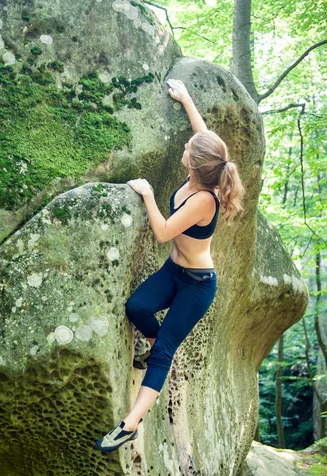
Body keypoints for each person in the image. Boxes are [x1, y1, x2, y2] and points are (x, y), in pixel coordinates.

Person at [94, 78, 245, 453]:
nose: (185, 146)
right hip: (174, 272)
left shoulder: (203, 199)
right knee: (137, 307)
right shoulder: (205, 168)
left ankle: (129, 424)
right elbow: (204, 136)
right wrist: (186, 99)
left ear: (193, 165)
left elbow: (162, 232)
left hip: (196, 287)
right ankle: (154, 343)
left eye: (187, 149)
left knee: (164, 351)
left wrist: (147, 194)